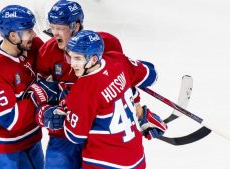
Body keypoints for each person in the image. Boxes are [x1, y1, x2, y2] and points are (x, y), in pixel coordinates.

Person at [34, 1, 130, 168]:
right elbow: (39, 92)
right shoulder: (47, 53)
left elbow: (124, 81)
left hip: (98, 135)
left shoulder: (106, 44)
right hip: (63, 134)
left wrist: (137, 107)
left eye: (61, 28)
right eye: (53, 27)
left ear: (75, 26)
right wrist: (44, 111)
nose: (55, 33)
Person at [59, 30, 167, 168]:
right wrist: (139, 115)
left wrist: (64, 108)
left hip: (103, 163)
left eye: (78, 58)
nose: (72, 64)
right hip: (137, 160)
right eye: (71, 57)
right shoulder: (118, 60)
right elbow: (152, 75)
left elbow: (75, 136)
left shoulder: (82, 90)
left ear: (93, 59)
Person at [0, 5, 51, 169]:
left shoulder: (30, 45)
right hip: (2, 144)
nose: (33, 35)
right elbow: (8, 119)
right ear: (13, 36)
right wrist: (40, 96)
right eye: (28, 31)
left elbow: (51, 65)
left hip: (30, 137)